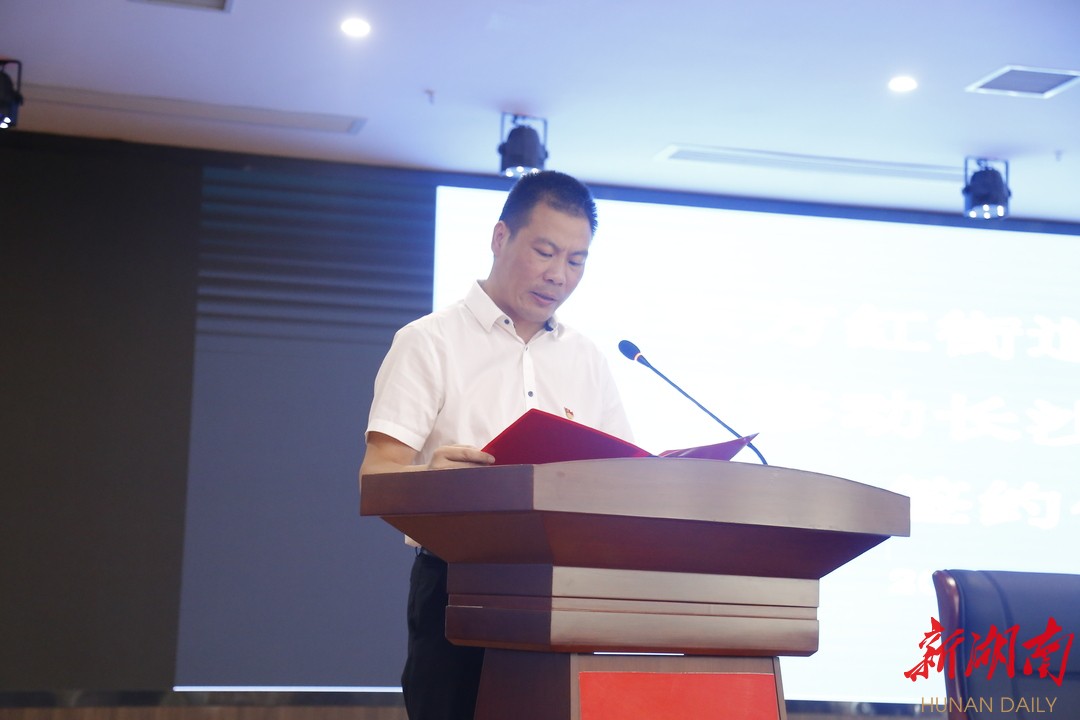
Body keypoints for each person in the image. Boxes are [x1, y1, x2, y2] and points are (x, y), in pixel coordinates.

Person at [359, 170, 632, 720]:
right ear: (500, 237)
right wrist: (432, 481)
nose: (558, 275)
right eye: (545, 252)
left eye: (576, 261)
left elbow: (624, 479)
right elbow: (375, 477)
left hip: (567, 593)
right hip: (459, 584)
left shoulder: (588, 359)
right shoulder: (428, 342)